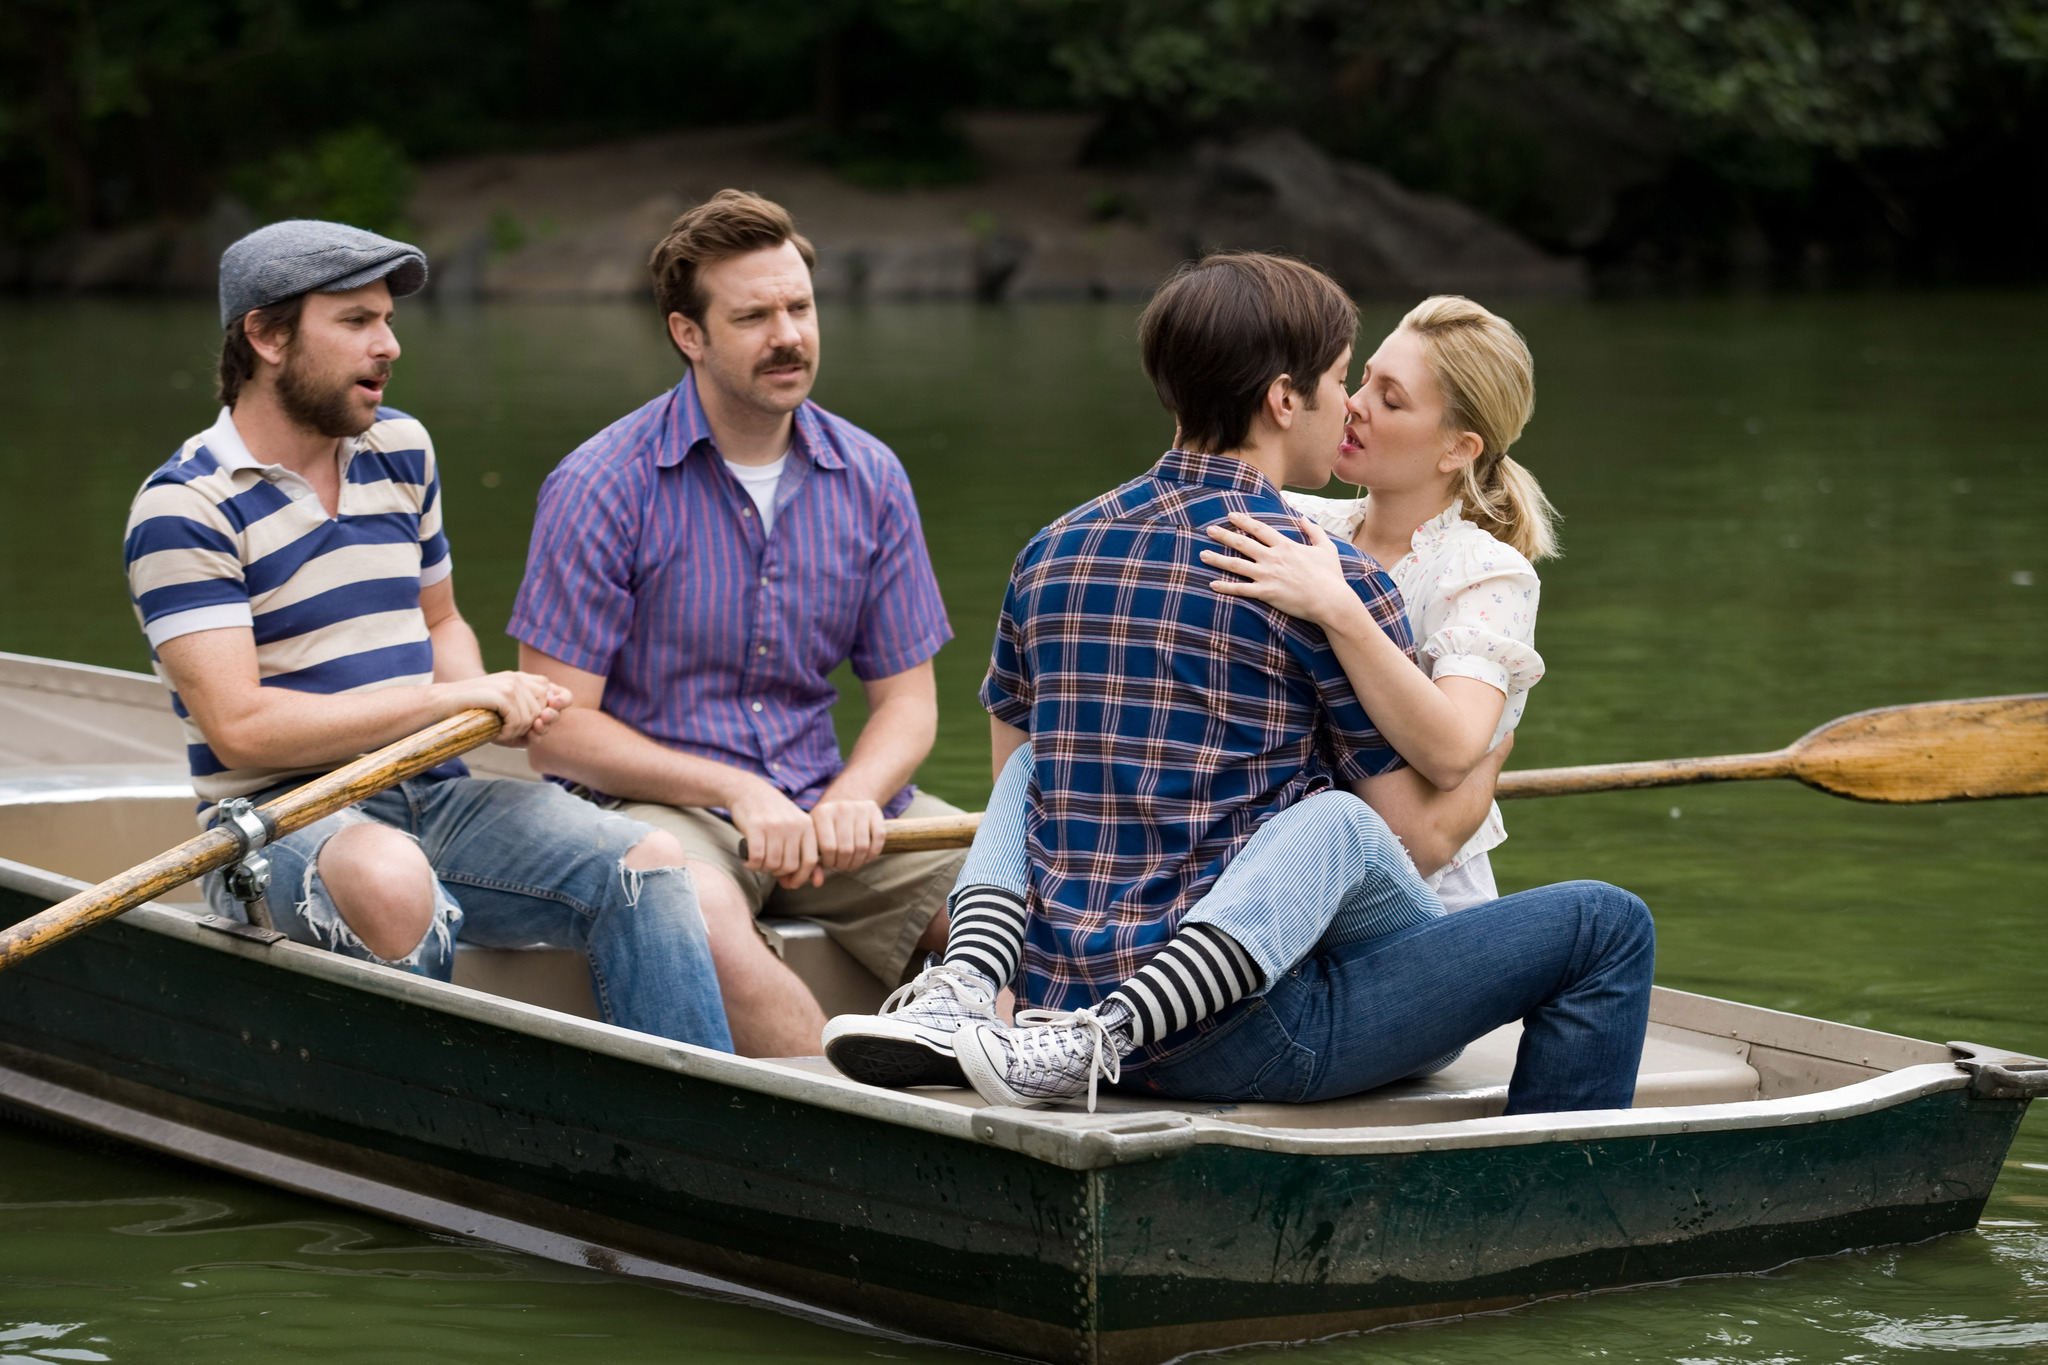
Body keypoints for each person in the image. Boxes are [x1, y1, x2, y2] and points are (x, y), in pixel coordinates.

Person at [829, 253, 1652, 1112]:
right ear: (1284, 399)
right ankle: (1547, 1202)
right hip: (1245, 1028)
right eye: (1343, 379)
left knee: (1037, 769)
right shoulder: (1318, 572)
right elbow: (1404, 832)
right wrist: (1485, 759)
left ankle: (972, 983)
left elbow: (1016, 783)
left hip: (1051, 998)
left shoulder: (1051, 551)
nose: (1350, 407)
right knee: (1603, 921)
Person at [122, 220, 732, 1051]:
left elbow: (442, 619)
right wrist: (451, 697)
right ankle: (428, 1138)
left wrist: (483, 709)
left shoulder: (400, 449)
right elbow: (242, 726)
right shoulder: (184, 507)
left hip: (434, 791)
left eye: (390, 320)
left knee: (653, 862)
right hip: (277, 819)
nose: (389, 345)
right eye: (356, 322)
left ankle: (689, 1134)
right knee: (390, 873)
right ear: (266, 336)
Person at [510, 190, 964, 1059]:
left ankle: (1028, 1107)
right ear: (691, 335)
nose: (788, 335)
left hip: (829, 804)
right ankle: (856, 1122)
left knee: (1008, 899)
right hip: (660, 805)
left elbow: (908, 703)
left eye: (799, 306)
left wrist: (856, 797)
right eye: (753, 316)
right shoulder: (602, 482)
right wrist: (735, 788)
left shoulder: (870, 475)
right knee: (684, 899)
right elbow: (557, 732)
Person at [1205, 294, 1556, 912]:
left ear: (1458, 449)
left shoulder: (1485, 571)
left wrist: (1339, 608)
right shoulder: (1303, 521)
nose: (1351, 406)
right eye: (1360, 380)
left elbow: (1450, 755)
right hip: (1270, 879)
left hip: (1425, 902)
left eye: (1391, 400)